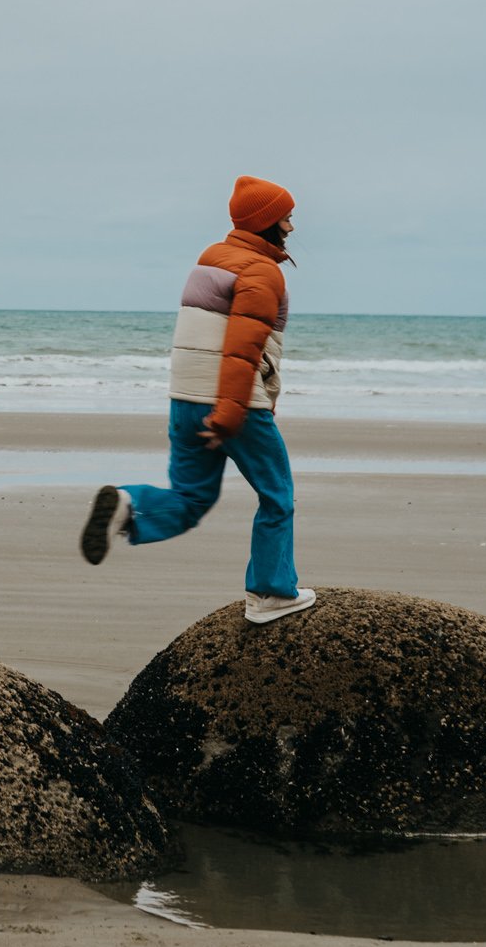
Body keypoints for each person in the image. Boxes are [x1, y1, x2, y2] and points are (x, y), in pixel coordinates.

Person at [81, 175, 315, 624]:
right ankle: (270, 594)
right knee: (277, 497)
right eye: (286, 214)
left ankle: (129, 503)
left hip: (185, 399)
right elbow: (243, 347)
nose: (291, 223)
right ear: (269, 221)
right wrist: (230, 409)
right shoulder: (260, 271)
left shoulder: (213, 258)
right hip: (234, 404)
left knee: (190, 499)